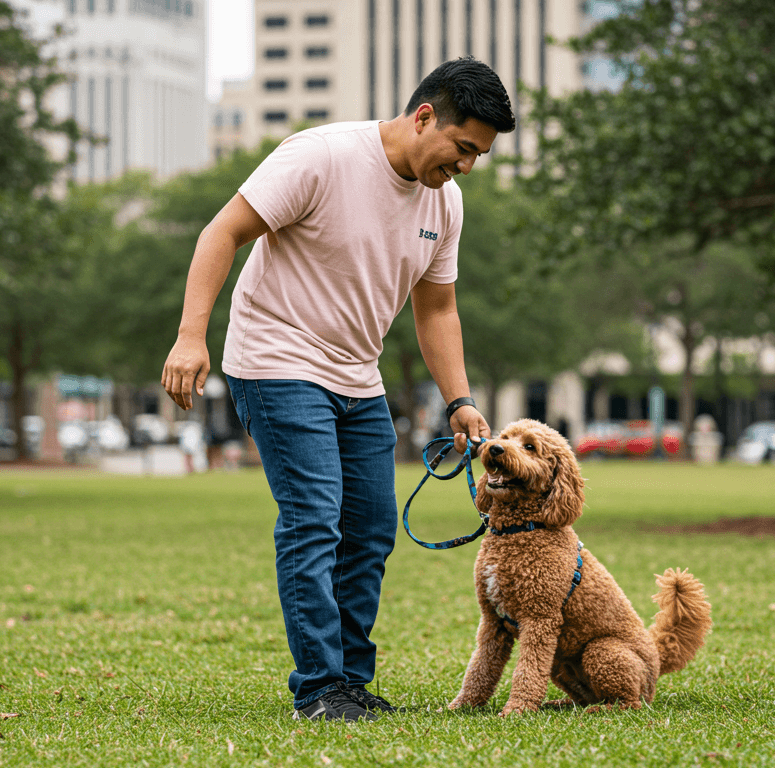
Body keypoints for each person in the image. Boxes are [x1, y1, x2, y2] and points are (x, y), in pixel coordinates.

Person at [161, 57, 515, 722]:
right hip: (275, 359)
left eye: (479, 156)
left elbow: (436, 309)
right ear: (423, 117)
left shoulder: (446, 203)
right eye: (462, 148)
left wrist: (460, 400)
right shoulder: (320, 156)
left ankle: (349, 683)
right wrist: (190, 335)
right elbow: (224, 233)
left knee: (372, 530)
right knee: (314, 518)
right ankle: (319, 688)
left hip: (358, 376)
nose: (466, 166)